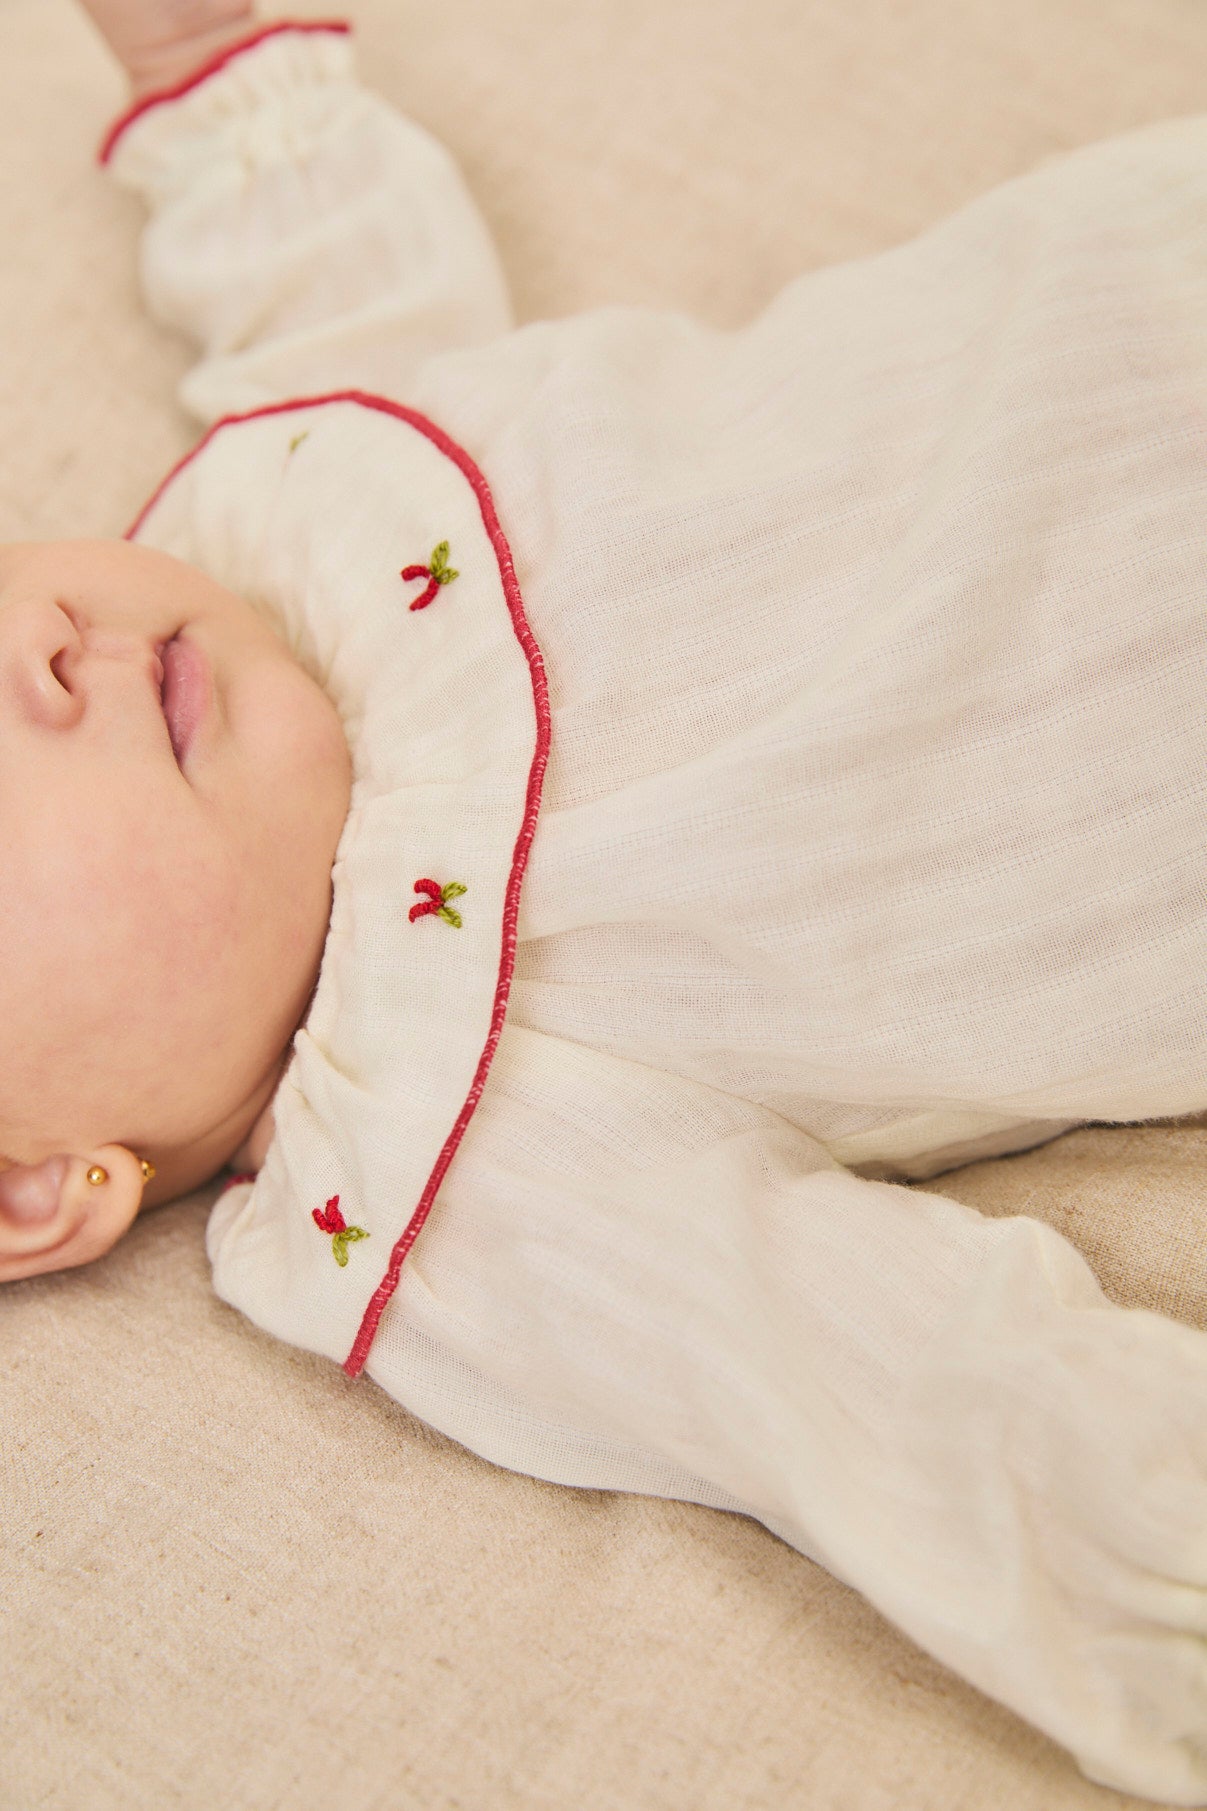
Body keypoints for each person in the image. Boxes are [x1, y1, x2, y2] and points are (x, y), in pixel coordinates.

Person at [8, 2, 1207, 1798]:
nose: (30, 648)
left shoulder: (273, 507)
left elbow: (328, 267)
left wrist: (218, 73)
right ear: (36, 1185)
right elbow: (918, 1403)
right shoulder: (448, 1177)